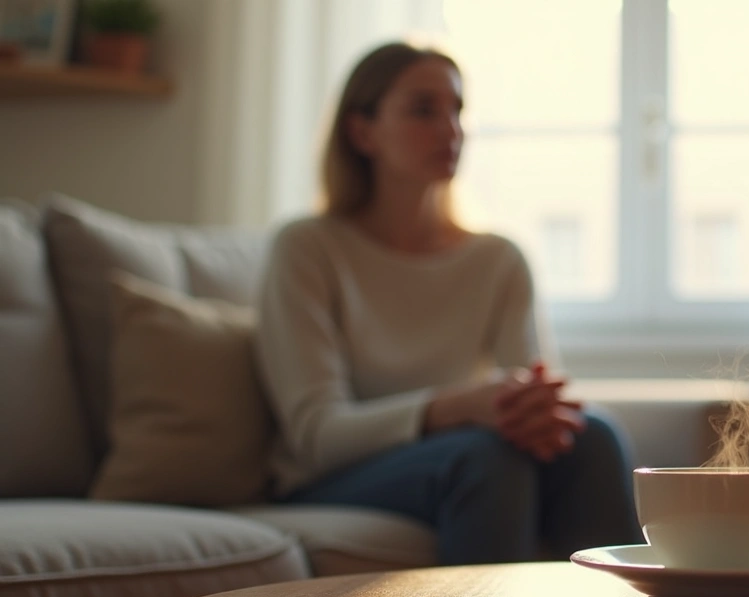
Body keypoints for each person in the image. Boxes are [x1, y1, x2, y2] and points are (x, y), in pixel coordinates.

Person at [254, 42, 642, 565]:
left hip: (462, 455)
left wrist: (534, 411)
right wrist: (454, 408)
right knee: (486, 457)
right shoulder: (307, 248)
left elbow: (534, 407)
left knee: (594, 437)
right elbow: (316, 435)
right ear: (362, 132)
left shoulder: (498, 259)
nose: (451, 129)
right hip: (333, 475)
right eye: (424, 110)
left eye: (457, 110)